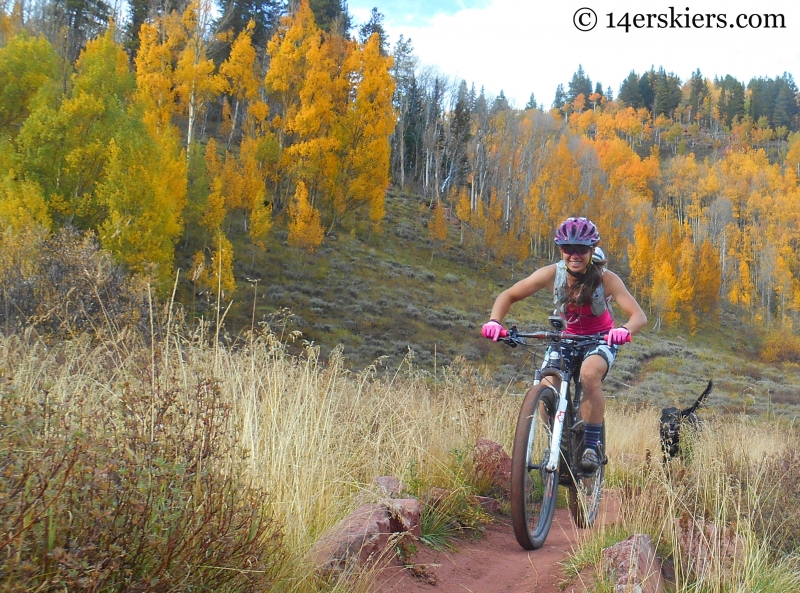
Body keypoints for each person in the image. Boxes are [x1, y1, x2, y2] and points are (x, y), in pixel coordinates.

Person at [481, 217, 647, 472]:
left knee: (590, 374)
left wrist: (624, 330)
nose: (575, 254)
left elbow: (638, 316)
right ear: (561, 249)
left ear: (592, 250)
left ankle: (591, 445)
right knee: (547, 383)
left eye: (582, 249)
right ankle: (557, 441)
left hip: (599, 339)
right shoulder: (552, 274)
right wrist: (495, 321)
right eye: (568, 248)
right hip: (565, 339)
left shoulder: (606, 279)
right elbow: (509, 295)